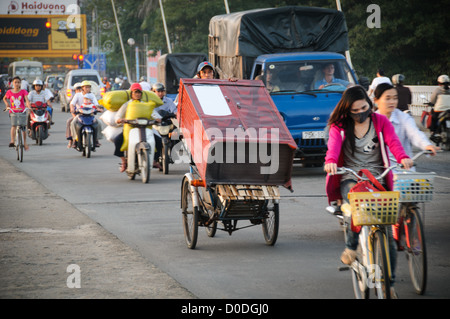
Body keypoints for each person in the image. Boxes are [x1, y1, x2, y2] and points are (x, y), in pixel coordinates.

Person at [324, 85, 413, 297]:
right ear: (347, 110)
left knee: (388, 232)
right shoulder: (339, 126)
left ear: (369, 103)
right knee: (355, 207)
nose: (360, 113)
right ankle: (351, 247)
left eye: (363, 108)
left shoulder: (380, 121)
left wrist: (402, 158)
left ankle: (389, 285)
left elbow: (393, 142)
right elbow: (334, 148)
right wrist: (330, 162)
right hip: (350, 177)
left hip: (378, 177)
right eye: (354, 111)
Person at [375, 83, 438, 164]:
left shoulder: (404, 118)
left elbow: (415, 133)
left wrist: (426, 145)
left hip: (403, 169)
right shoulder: (371, 120)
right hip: (379, 170)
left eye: (395, 98)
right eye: (388, 99)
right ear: (376, 100)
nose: (392, 102)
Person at [113, 83, 161, 172]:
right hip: (130, 129)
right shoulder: (127, 104)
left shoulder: (146, 104)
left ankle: (154, 160)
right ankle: (124, 162)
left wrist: (158, 119)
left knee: (159, 141)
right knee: (117, 140)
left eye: (139, 92)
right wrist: (119, 120)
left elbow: (154, 114)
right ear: (131, 94)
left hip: (145, 128)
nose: (137, 94)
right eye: (135, 92)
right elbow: (118, 116)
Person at [70, 81, 101, 148]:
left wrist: (98, 108)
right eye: (86, 87)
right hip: (80, 114)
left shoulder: (92, 95)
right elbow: (72, 103)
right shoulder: (77, 95)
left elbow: (96, 104)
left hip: (90, 114)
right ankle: (75, 140)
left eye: (89, 87)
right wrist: (72, 109)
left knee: (99, 122)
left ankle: (96, 140)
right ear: (82, 88)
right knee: (73, 123)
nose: (87, 89)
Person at [3, 76, 31, 150]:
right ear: (12, 83)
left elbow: (26, 100)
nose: (17, 84)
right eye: (15, 82)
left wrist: (29, 106)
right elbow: (4, 98)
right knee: (14, 125)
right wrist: (7, 104)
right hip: (13, 112)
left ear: (20, 83)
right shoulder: (9, 92)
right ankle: (12, 141)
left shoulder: (23, 91)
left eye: (18, 82)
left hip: (22, 111)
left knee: (24, 127)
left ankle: (24, 142)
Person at [429, 74, 450, 141]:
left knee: (433, 118)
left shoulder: (437, 90)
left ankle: (433, 132)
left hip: (439, 111)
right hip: (449, 111)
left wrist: (431, 103)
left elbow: (432, 100)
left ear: (439, 83)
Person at [66, 82, 83, 148]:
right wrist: (75, 117)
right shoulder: (73, 99)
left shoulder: (86, 96)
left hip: (86, 115)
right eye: (77, 89)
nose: (79, 90)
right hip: (77, 116)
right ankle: (71, 139)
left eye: (80, 89)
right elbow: (72, 109)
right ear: (75, 90)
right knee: (69, 122)